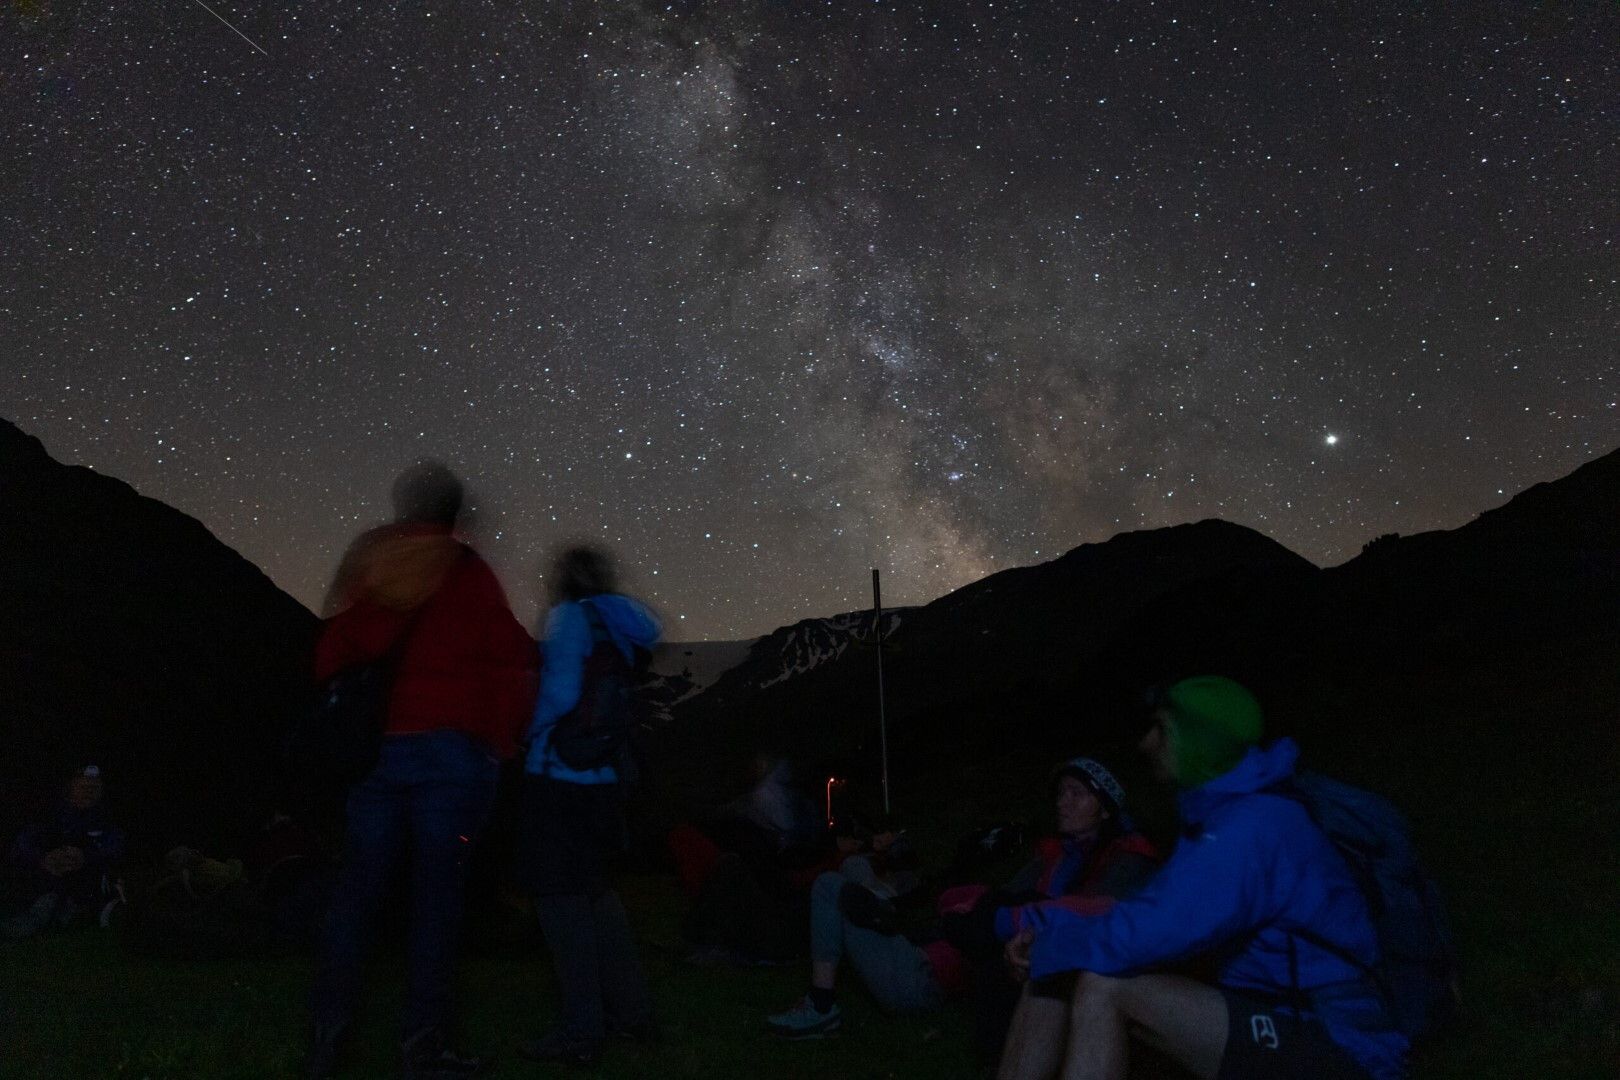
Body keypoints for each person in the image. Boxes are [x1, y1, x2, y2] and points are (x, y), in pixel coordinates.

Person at [999, 677, 1408, 1080]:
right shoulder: (1228, 811)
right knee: (1067, 967)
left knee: (1104, 985)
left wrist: (1053, 945)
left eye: (1162, 730)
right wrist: (1054, 940)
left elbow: (1154, 930)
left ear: (1196, 740)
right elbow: (1151, 911)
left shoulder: (1249, 829)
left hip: (1337, 1044)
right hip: (1277, 1010)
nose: (1147, 744)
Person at [305, 462, 538, 1080]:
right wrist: (499, 747)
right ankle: (422, 1048)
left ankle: (327, 1041)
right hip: (451, 755)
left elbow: (333, 653)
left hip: (379, 754)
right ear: (454, 513)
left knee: (357, 896)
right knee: (437, 902)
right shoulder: (468, 574)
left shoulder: (372, 562)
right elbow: (508, 663)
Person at [766, 757, 1157, 1043]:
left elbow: (1090, 921)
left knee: (829, 886)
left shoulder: (1120, 861)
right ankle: (887, 915)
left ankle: (821, 1006)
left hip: (928, 976)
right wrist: (964, 908)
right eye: (1061, 793)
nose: (1062, 802)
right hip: (932, 949)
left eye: (1077, 794)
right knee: (854, 875)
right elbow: (998, 902)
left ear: (1104, 808)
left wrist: (973, 914)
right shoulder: (1053, 854)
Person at [515, 545, 660, 1067]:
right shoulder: (624, 626)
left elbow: (560, 693)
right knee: (598, 895)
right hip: (604, 780)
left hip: (559, 778)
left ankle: (582, 1031)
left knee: (559, 898)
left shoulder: (570, 618)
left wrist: (526, 734)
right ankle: (633, 1013)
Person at [2, 764, 125, 939]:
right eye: (83, 787)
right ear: (71, 787)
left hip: (89, 883)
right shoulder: (52, 813)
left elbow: (116, 848)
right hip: (50, 879)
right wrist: (44, 859)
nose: (88, 792)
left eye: (94, 788)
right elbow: (23, 843)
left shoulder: (107, 816)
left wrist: (85, 857)